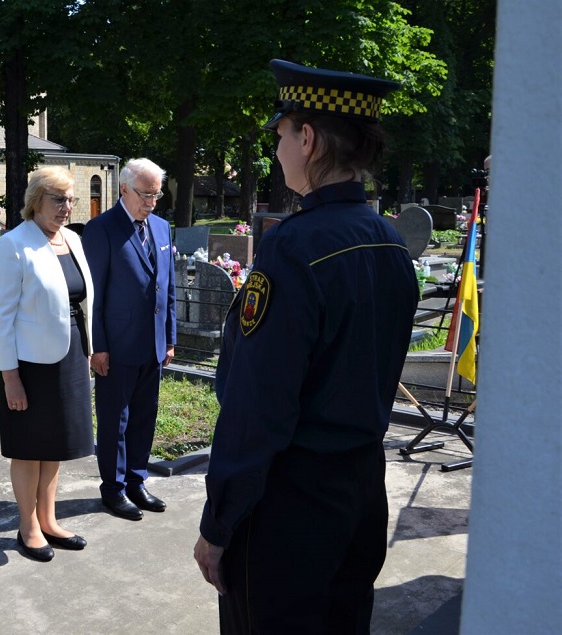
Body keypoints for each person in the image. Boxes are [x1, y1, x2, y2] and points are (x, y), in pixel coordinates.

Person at [193, 60, 419, 633]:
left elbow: (256, 407)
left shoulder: (293, 249)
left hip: (290, 508)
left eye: (281, 134)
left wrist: (219, 523)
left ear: (309, 138)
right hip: (362, 494)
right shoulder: (390, 241)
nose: (276, 149)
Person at [0, 166, 94, 562]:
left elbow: (82, 302)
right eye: (58, 200)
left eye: (70, 200)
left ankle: (49, 519)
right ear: (36, 201)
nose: (66, 208)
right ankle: (28, 525)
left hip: (68, 355)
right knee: (29, 447)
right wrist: (10, 378)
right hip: (30, 365)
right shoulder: (14, 245)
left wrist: (85, 354)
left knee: (55, 444)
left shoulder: (72, 239)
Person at [81, 157, 176, 521]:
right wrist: (98, 347)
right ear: (124, 188)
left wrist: (169, 338)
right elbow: (94, 296)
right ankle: (114, 489)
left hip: (152, 345)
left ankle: (138, 480)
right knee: (115, 422)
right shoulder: (101, 229)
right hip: (116, 347)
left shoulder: (162, 228)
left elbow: (166, 288)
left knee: (144, 418)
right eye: (145, 194)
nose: (151, 202)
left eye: (156, 194)